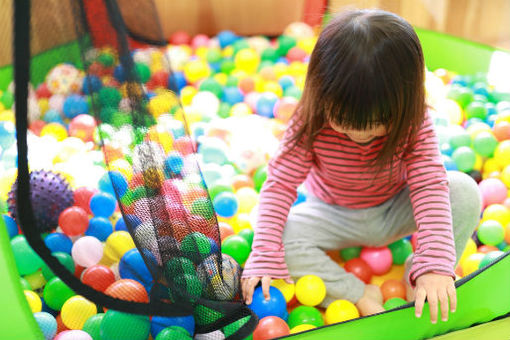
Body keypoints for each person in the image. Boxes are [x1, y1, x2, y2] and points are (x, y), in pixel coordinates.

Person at [241, 9, 481, 324]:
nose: (359, 135)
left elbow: (428, 184)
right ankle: (356, 292)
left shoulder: (414, 120)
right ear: (320, 91)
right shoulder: (309, 117)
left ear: (405, 102)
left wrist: (436, 263)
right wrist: (263, 255)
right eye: (343, 122)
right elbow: (281, 183)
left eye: (377, 124)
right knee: (268, 230)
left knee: (464, 191)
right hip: (333, 213)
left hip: (395, 207)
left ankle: (418, 271)